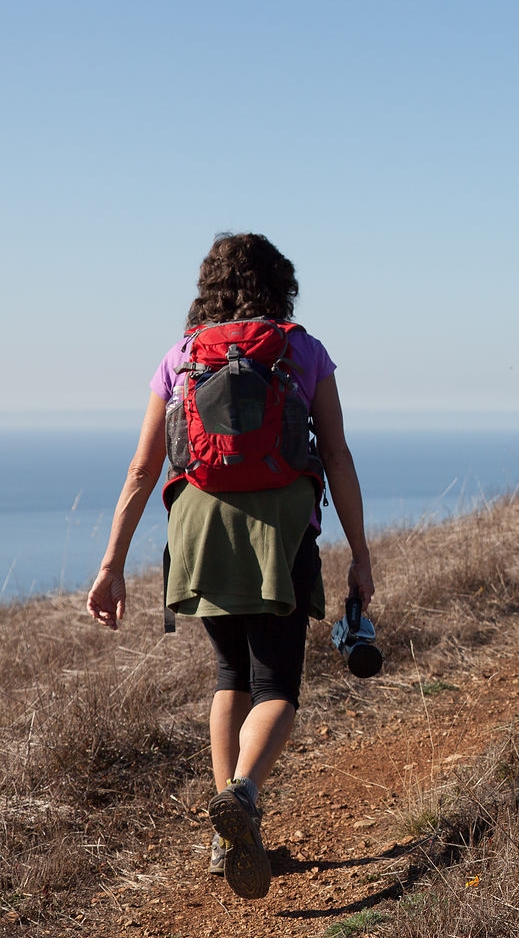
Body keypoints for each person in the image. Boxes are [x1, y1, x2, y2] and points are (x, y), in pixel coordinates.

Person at [86, 233, 374, 900]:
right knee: (277, 686)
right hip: (280, 533)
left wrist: (111, 564)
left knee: (230, 675)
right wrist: (360, 554)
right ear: (281, 284)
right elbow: (336, 454)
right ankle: (242, 796)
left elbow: (142, 469)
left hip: (198, 531)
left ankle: (226, 839)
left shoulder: (181, 355)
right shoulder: (301, 348)